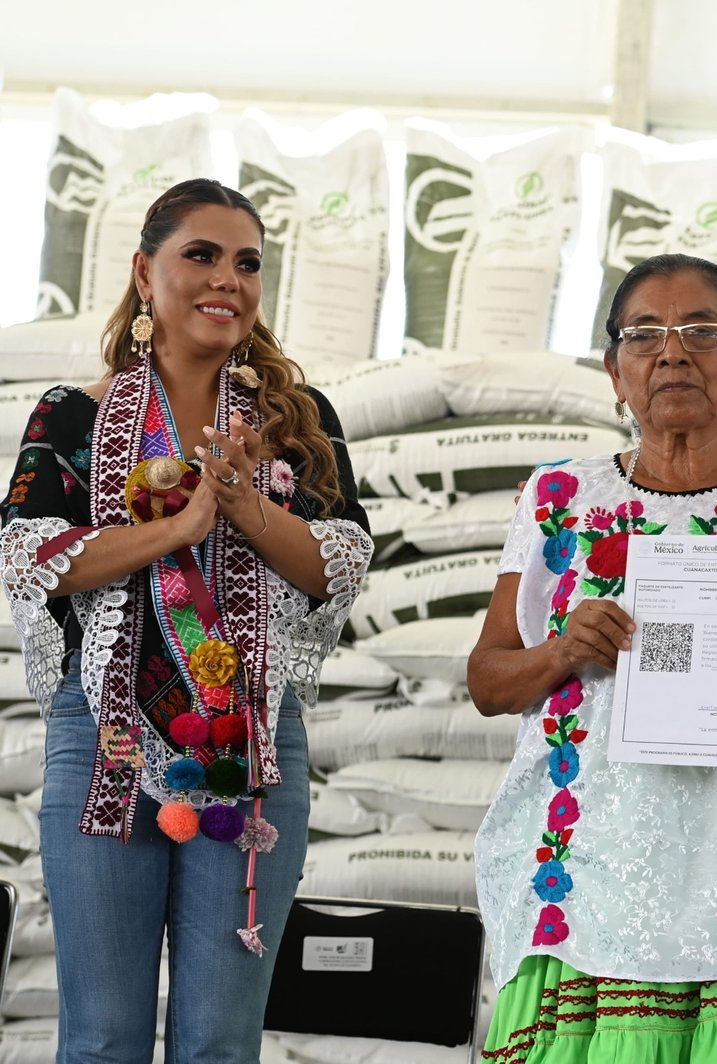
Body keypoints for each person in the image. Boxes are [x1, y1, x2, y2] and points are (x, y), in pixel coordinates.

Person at [0, 178, 372, 1063]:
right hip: (103, 741)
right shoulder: (72, 416)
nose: (228, 279)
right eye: (200, 255)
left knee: (218, 1040)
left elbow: (340, 565)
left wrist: (245, 506)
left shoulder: (299, 422)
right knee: (101, 1038)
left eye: (248, 263)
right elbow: (29, 557)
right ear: (143, 271)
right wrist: (175, 528)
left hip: (248, 748)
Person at [470, 253, 717, 1063]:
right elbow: (488, 680)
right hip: (589, 874)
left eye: (703, 333)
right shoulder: (559, 499)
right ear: (614, 371)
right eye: (644, 335)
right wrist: (565, 649)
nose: (672, 353)